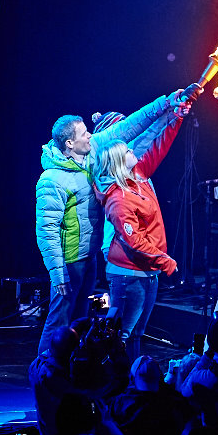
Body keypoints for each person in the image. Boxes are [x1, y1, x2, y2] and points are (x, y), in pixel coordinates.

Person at [35, 86, 197, 356]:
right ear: (69, 144)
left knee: (79, 321)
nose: (91, 135)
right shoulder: (52, 180)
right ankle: (43, 374)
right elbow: (47, 230)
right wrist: (56, 271)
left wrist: (169, 105)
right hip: (69, 261)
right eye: (84, 133)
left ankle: (73, 375)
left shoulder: (90, 155)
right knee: (58, 323)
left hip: (89, 258)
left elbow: (133, 126)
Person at [96, 105, 187, 361]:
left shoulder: (138, 174)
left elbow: (160, 145)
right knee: (121, 335)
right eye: (127, 150)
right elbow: (132, 240)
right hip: (128, 275)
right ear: (117, 161)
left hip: (148, 270)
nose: (133, 150)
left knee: (136, 334)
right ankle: (116, 386)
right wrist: (164, 260)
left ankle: (133, 384)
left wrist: (176, 117)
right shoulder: (118, 199)